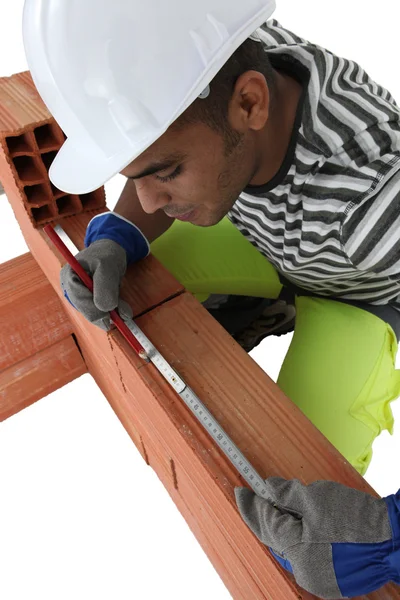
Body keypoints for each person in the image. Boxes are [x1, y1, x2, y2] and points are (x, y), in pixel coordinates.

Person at [22, 0, 400, 596]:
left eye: (164, 171)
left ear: (250, 102)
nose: (144, 200)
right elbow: (149, 187)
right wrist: (117, 238)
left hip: (358, 293)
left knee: (291, 504)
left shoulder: (376, 202)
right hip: (269, 239)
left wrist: (391, 538)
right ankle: (262, 301)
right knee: (136, 275)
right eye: (133, 172)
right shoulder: (212, 63)